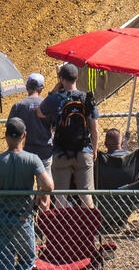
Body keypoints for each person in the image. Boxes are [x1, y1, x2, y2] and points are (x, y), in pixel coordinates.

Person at [0, 119, 52, 270]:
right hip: (22, 217)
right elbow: (49, 185)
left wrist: (0, 187)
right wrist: (39, 192)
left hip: (1, 217)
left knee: (4, 262)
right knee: (28, 259)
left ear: (6, 136)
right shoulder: (32, 159)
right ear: (24, 135)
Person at [42, 64, 97, 198]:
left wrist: (54, 91)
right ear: (76, 78)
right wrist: (94, 149)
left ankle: (63, 219)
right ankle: (88, 219)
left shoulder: (55, 99)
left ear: (61, 79)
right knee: (87, 196)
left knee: (60, 197)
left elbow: (40, 112)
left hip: (61, 152)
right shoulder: (86, 99)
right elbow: (94, 129)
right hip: (84, 150)